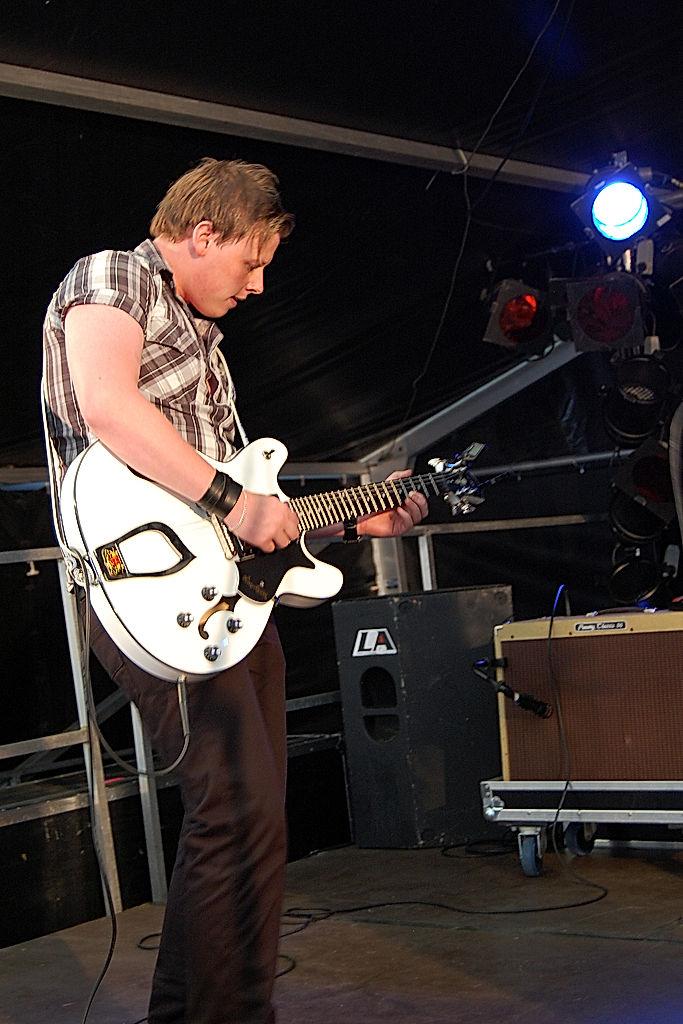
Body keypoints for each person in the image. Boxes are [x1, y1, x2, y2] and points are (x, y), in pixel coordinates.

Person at [42, 157, 428, 1024]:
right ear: (201, 234)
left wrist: (355, 520)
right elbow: (107, 407)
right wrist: (232, 501)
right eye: (249, 263)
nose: (257, 287)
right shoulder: (115, 275)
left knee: (254, 816)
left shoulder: (206, 343)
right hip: (143, 588)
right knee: (233, 808)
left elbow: (247, 508)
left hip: (224, 597)